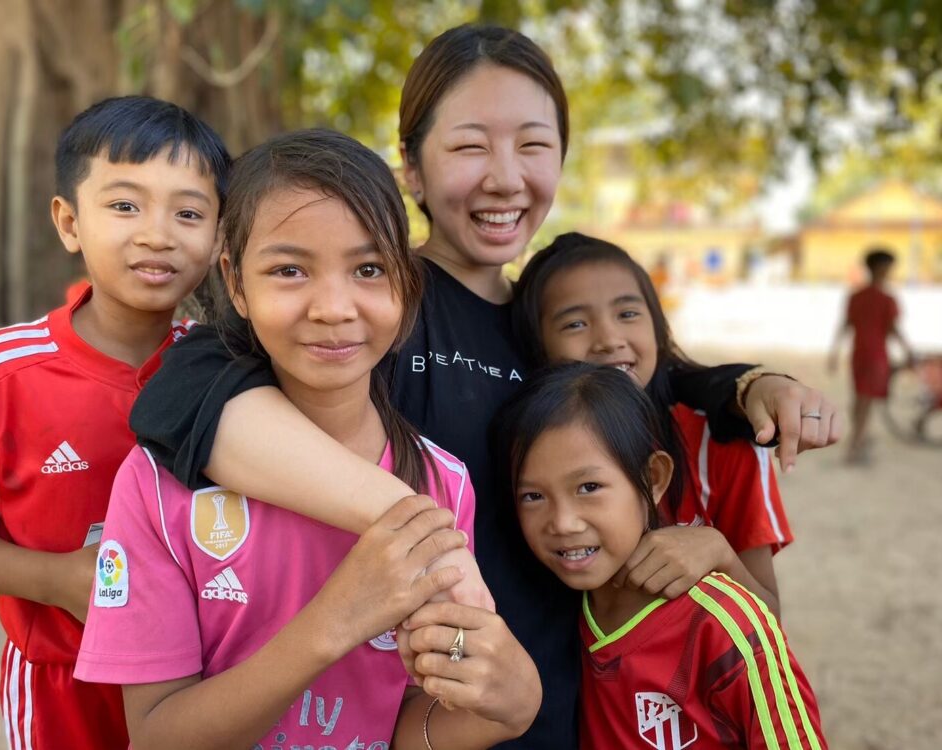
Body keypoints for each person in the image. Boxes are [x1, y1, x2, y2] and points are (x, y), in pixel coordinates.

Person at [125, 25, 837, 749]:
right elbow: (182, 398)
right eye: (470, 147)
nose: (505, 178)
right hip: (412, 720)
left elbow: (653, 375)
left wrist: (747, 384)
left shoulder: (552, 317)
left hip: (561, 713)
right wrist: (413, 521)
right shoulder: (370, 312)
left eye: (534, 146)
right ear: (412, 167)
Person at [75, 129, 540, 750]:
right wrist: (334, 622)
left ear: (406, 284)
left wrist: (503, 705)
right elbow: (157, 734)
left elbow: (407, 720)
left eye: (369, 268)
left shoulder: (439, 483)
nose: (333, 307)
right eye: (289, 269)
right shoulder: (157, 485)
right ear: (235, 283)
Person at [0, 96, 230, 749]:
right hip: (60, 685)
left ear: (218, 238)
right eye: (125, 205)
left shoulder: (220, 372)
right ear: (69, 222)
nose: (157, 233)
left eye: (188, 213)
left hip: (199, 676)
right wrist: (59, 581)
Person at [492, 363, 827, 749]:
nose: (563, 523)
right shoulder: (559, 612)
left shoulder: (720, 622)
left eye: (588, 486)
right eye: (533, 496)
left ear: (653, 479)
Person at [512, 233, 805, 617]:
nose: (609, 339)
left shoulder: (719, 442)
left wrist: (717, 552)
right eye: (575, 323)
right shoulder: (527, 447)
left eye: (628, 314)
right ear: (537, 346)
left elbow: (770, 621)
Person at [829, 246, 914, 463]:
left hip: (859, 354)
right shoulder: (886, 299)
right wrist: (909, 351)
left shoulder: (856, 296)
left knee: (860, 399)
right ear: (880, 268)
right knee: (865, 402)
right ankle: (855, 447)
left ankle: (859, 440)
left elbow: (845, 325)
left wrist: (834, 353)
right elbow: (893, 330)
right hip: (876, 356)